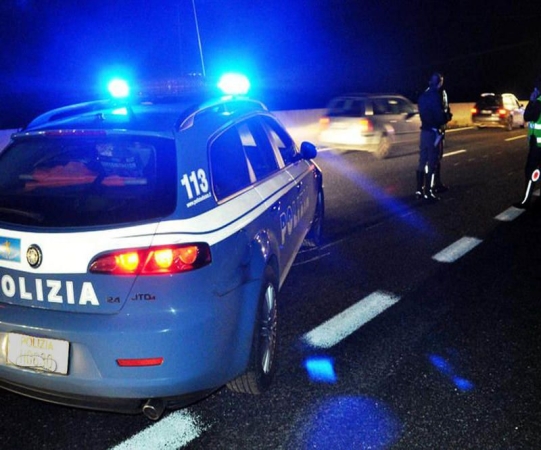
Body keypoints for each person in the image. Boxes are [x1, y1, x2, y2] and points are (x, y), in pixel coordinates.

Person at [415, 73, 451, 200]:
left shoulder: (423, 96)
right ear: (439, 82)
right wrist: (447, 117)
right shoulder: (436, 96)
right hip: (434, 132)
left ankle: (419, 190)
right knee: (432, 161)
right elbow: (439, 117)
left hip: (424, 130)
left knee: (422, 161)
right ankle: (429, 191)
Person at [514, 81, 541, 209]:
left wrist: (531, 101)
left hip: (538, 144)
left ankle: (526, 201)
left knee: (530, 171)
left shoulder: (538, 102)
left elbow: (527, 116)